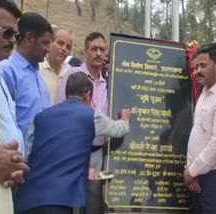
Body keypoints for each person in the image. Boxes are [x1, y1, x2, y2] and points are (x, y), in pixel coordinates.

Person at [15, 72, 131, 214]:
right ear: (88, 94)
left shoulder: (40, 117)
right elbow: (118, 130)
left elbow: (27, 153)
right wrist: (125, 118)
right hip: (61, 201)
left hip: (26, 199)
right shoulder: (92, 115)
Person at [57, 31, 110, 213]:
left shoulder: (108, 82)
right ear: (86, 51)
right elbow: (60, 110)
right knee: (72, 201)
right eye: (94, 49)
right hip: (74, 151)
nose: (98, 53)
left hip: (98, 153)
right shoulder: (72, 75)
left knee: (94, 200)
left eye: (102, 49)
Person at [184, 43, 216, 214]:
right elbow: (198, 134)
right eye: (195, 67)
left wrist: (192, 171)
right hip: (198, 176)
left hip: (214, 179)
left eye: (202, 65)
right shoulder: (205, 93)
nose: (197, 71)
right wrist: (192, 170)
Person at [0, 1, 30, 212]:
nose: (12, 41)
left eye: (15, 36)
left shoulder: (1, 76)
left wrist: (11, 166)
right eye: (7, 33)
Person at [0, 12, 52, 139]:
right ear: (29, 39)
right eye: (45, 43)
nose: (48, 49)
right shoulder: (7, 72)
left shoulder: (37, 74)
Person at [40, 27, 73, 104]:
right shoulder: (37, 68)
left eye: (68, 47)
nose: (64, 49)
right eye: (60, 43)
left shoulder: (70, 73)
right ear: (50, 43)